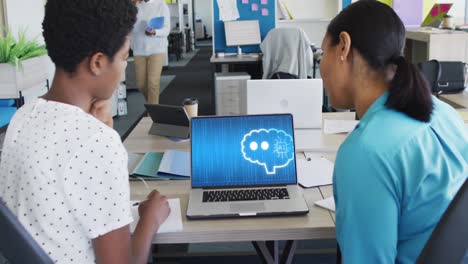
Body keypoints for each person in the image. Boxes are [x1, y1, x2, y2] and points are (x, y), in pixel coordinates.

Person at [0, 0, 170, 263]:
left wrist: (100, 132)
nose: (125, 66)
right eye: (125, 58)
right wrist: (151, 219)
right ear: (98, 63)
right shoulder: (96, 143)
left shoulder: (22, 117)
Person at [319, 1, 468, 263]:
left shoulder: (365, 153)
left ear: (344, 46)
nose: (321, 70)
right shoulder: (444, 114)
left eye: (323, 55)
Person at [131, 0, 171, 104]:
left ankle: (152, 114)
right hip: (139, 49)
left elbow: (167, 29)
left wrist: (155, 32)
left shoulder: (161, 5)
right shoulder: (135, 5)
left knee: (153, 83)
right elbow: (128, 27)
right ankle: (153, 105)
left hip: (157, 48)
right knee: (141, 85)